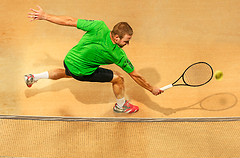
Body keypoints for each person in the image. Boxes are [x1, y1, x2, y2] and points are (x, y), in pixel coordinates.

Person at [25, 6, 163, 114]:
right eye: (126, 41)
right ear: (116, 38)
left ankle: (34, 77)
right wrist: (152, 89)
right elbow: (135, 75)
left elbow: (70, 21)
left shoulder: (98, 26)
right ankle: (121, 106)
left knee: (67, 72)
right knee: (118, 78)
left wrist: (44, 16)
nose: (127, 44)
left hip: (69, 60)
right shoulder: (118, 55)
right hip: (82, 72)